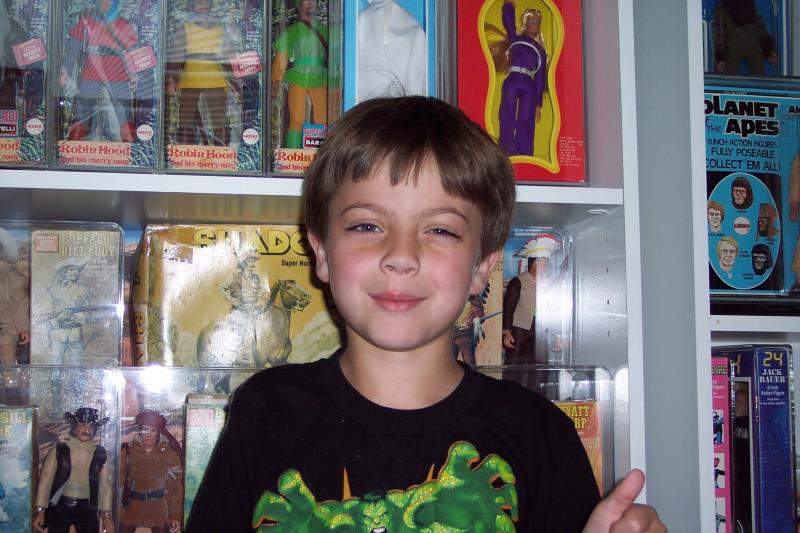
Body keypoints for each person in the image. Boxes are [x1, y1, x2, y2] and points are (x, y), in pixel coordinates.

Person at [185, 96, 665, 532]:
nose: (401, 256)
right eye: (367, 225)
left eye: (440, 231)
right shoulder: (267, 411)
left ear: (482, 267)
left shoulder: (539, 433)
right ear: (323, 253)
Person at [61, 0, 139, 142]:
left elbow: (134, 51)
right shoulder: (86, 21)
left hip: (117, 73)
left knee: (124, 110)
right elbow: (73, 48)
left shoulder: (123, 24)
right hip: (91, 72)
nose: (106, 4)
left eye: (110, 1)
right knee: (83, 109)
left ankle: (130, 145)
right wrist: (65, 70)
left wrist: (136, 73)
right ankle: (75, 143)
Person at [166, 0, 240, 146]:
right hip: (191, 78)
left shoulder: (220, 30)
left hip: (214, 78)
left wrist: (236, 80)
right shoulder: (185, 29)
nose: (203, 5)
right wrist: (172, 79)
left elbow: (228, 58)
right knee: (186, 118)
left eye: (206, 2)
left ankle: (221, 151)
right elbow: (176, 56)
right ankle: (185, 149)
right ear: (191, 6)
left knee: (219, 118)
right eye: (198, 2)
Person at [33, 407, 113, 533]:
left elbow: (105, 485)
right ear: (75, 428)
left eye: (91, 426)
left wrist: (106, 513)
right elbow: (46, 480)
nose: (87, 430)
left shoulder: (100, 454)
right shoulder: (59, 451)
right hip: (62, 505)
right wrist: (40, 510)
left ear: (95, 430)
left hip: (87, 508)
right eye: (83, 425)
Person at [271, 0, 328, 149]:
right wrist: (276, 81)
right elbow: (281, 59)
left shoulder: (325, 31)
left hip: (321, 78)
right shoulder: (292, 31)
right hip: (298, 77)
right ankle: (292, 154)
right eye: (306, 0)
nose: (311, 3)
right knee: (296, 119)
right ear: (299, 4)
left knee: (322, 119)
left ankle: (321, 153)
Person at [120, 410, 183, 533]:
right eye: (145, 430)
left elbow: (176, 488)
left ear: (158, 432)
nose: (148, 434)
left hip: (158, 507)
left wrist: (175, 516)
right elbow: (117, 483)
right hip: (132, 506)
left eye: (153, 430)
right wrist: (112, 510)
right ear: (140, 430)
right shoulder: (128, 451)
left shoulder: (168, 454)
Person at [497, 0, 547, 157]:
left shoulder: (541, 51)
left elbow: (540, 78)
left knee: (526, 117)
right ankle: (506, 149)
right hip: (513, 78)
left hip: (529, 83)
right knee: (507, 113)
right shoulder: (516, 39)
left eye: (537, 22)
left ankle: (524, 153)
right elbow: (509, 23)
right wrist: (508, 6)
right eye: (532, 21)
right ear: (525, 23)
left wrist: (538, 104)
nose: (535, 25)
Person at [502, 234, 558, 365]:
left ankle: (538, 379)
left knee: (540, 362)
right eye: (539, 261)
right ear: (531, 262)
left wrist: (557, 336)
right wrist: (507, 332)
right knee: (515, 361)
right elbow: (509, 306)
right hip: (520, 327)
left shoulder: (549, 284)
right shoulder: (519, 281)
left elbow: (555, 310)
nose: (543, 265)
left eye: (545, 262)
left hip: (541, 328)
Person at [356, 0, 426, 102]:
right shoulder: (415, 30)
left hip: (366, 106)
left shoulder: (360, 21)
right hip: (401, 105)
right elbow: (415, 86)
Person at [42, 257, 90, 364]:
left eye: (76, 270)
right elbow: (46, 312)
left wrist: (75, 317)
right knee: (56, 364)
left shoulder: (82, 291)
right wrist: (58, 319)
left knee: (76, 365)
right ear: (64, 272)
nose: (74, 272)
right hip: (58, 334)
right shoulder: (53, 290)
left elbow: (89, 312)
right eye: (71, 269)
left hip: (76, 334)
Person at [712, 0, 779, 76]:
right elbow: (760, 29)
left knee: (729, 79)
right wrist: (769, 51)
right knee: (759, 77)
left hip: (734, 49)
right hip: (751, 47)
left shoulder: (722, 10)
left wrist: (720, 58)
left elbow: (720, 35)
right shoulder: (749, 5)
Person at [0, 228, 29, 365]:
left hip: (5, 328)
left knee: (8, 363)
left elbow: (20, 302)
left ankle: (10, 379)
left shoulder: (8, 273)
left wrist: (23, 328)